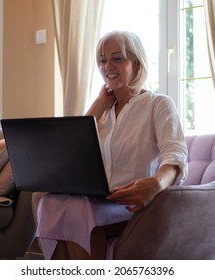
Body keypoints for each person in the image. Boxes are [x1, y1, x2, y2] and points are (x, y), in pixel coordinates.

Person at [32, 30, 188, 259]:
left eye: (117, 58)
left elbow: (175, 157)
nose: (107, 66)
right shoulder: (103, 112)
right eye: (102, 60)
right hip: (97, 201)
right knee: (44, 198)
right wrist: (99, 105)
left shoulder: (158, 104)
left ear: (136, 62)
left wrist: (155, 184)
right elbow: (72, 148)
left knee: (77, 212)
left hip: (133, 204)